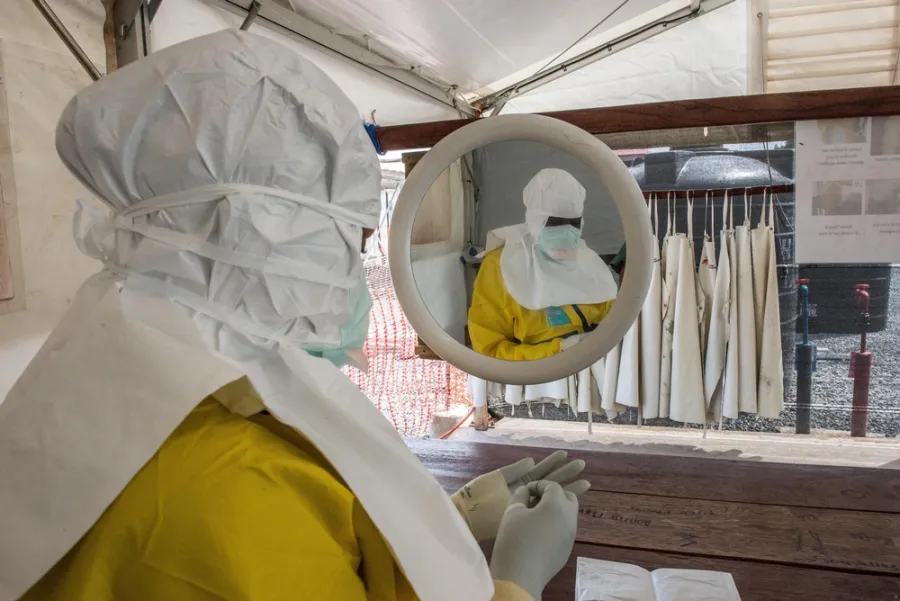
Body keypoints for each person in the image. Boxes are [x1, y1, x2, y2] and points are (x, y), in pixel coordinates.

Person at [1, 31, 587, 601]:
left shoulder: (108, 388)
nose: (359, 283)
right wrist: (514, 582)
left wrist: (445, 522)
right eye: (350, 252)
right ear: (267, 248)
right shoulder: (234, 487)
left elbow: (319, 552)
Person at [468, 169, 618, 361]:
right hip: (535, 382)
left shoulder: (588, 261)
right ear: (536, 221)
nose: (566, 231)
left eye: (573, 222)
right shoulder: (501, 266)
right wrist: (554, 352)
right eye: (555, 222)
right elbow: (490, 349)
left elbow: (614, 319)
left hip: (596, 369)